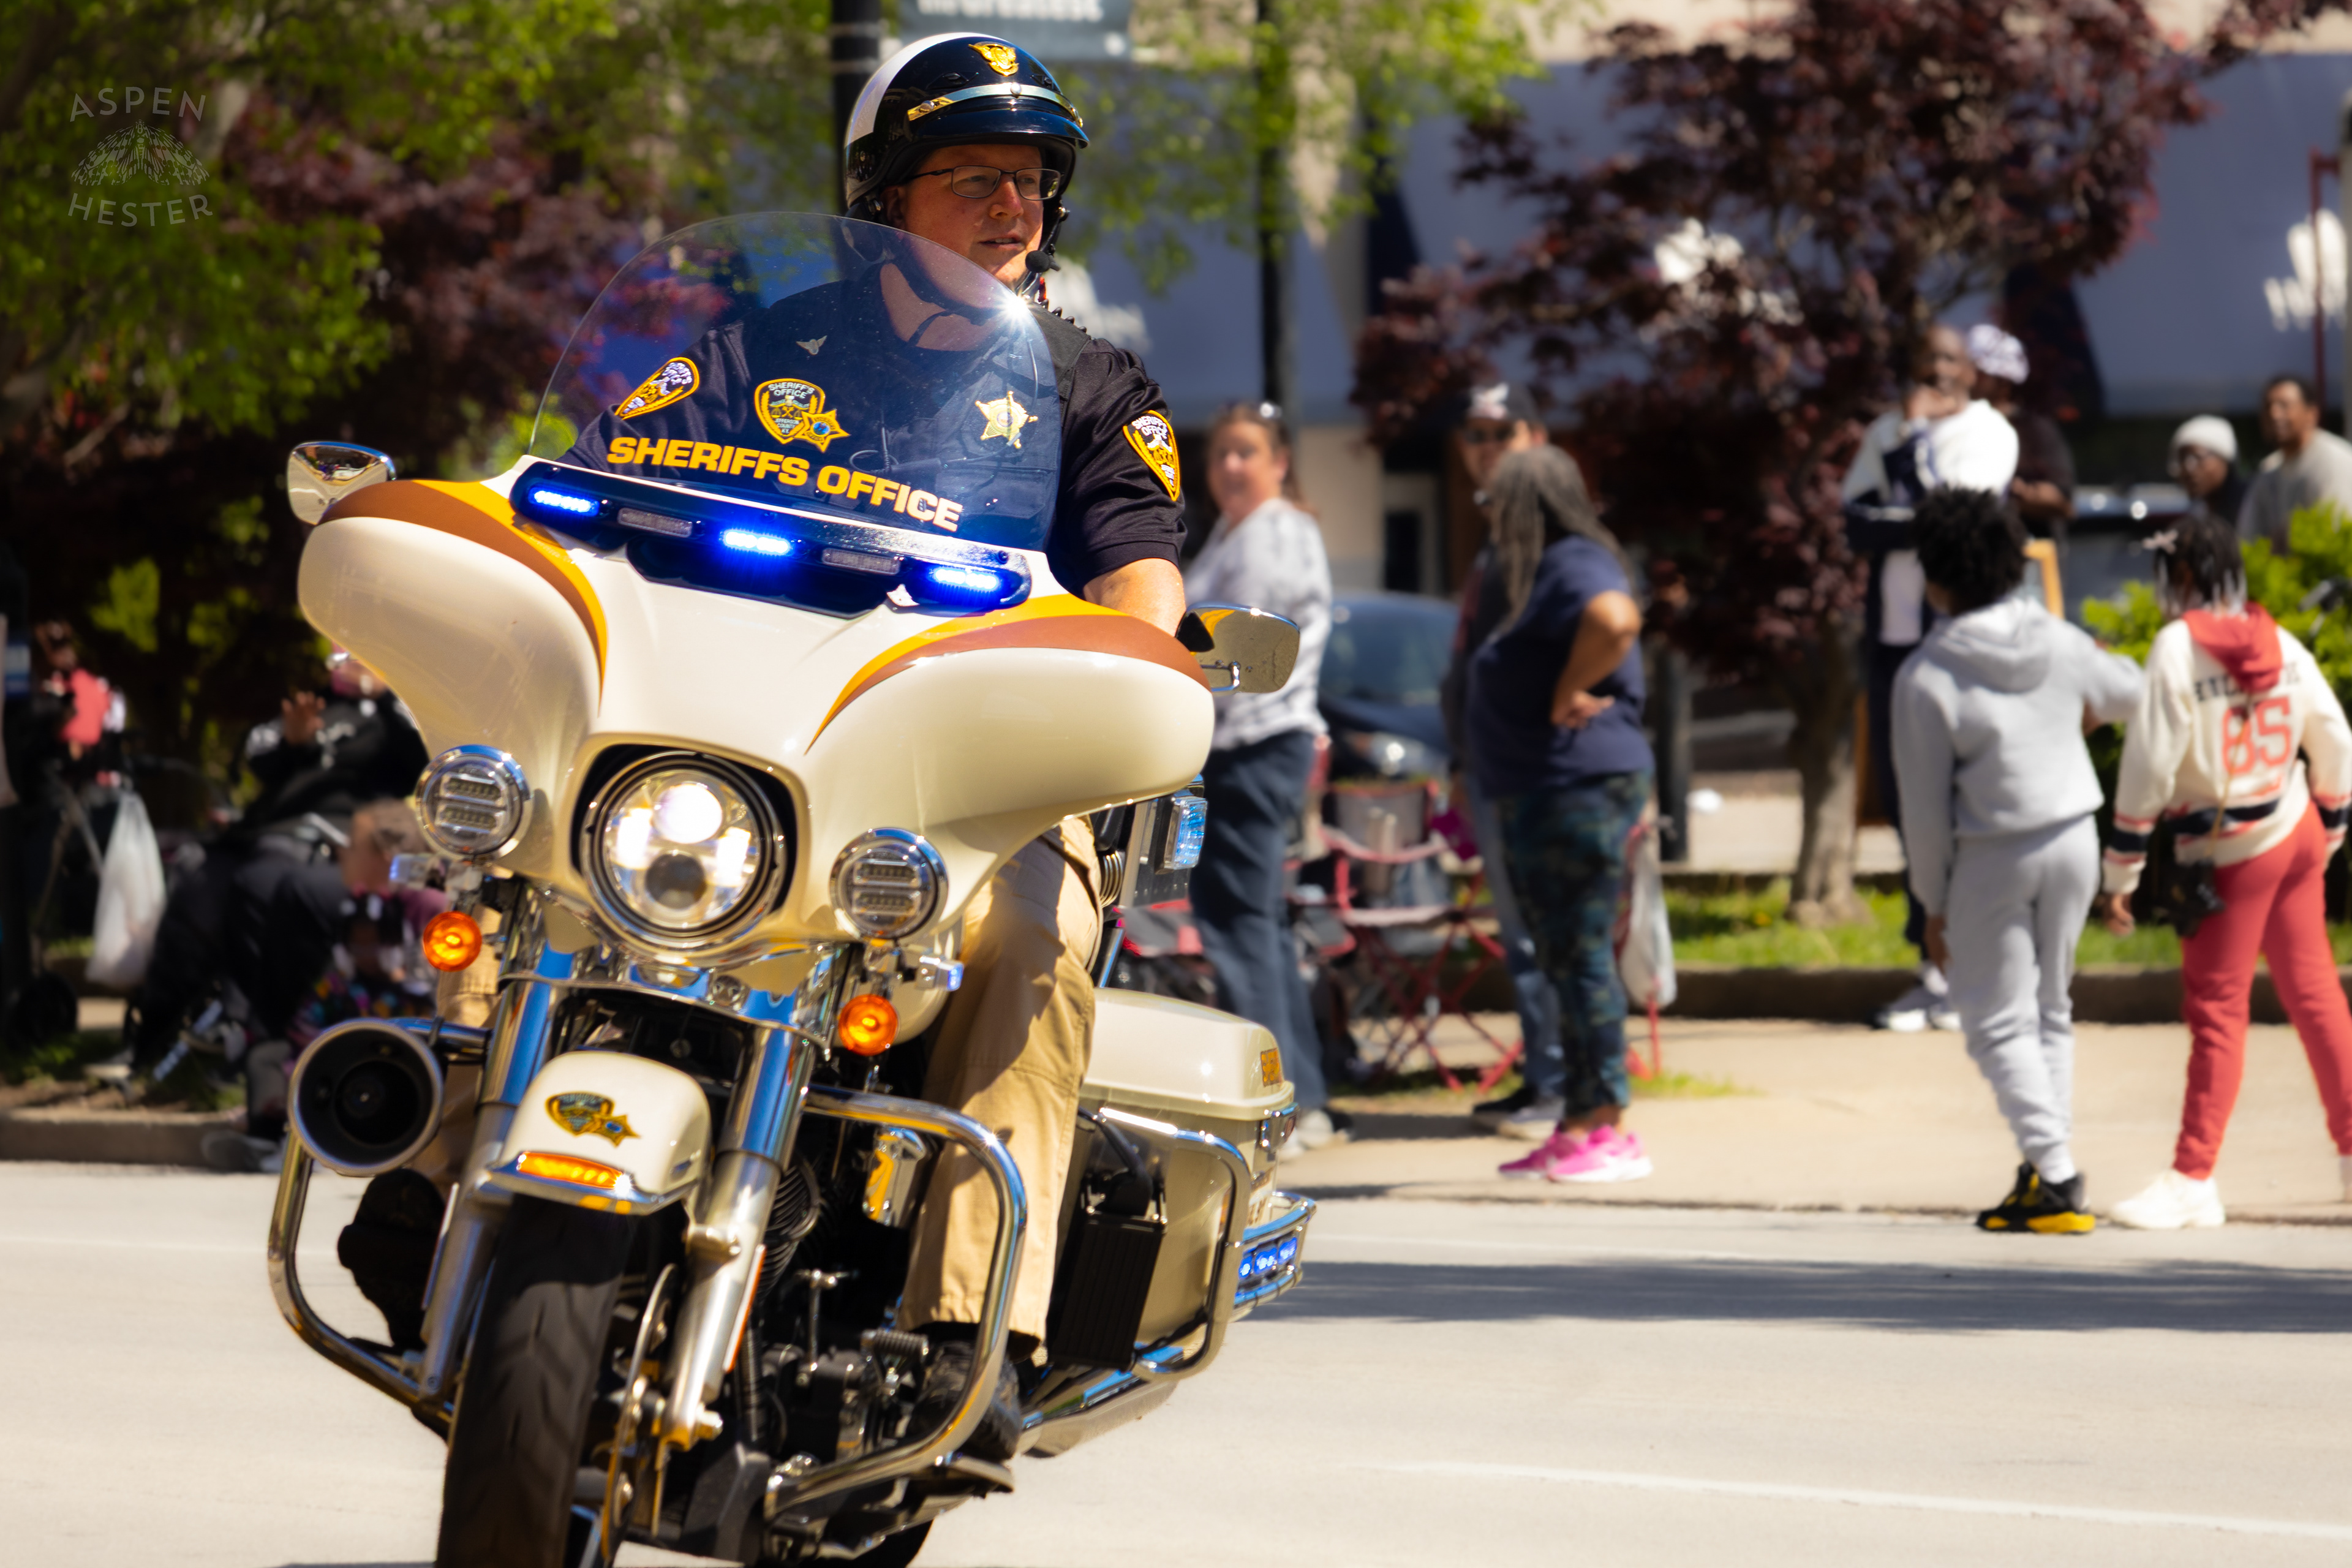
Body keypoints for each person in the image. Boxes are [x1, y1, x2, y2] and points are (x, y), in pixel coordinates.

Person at [510, 33, 1188, 1459]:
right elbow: (583, 481)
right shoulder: (751, 352)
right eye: (975, 178)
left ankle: (968, 1323)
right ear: (881, 194)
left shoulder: (1088, 384)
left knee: (1039, 929)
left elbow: (1139, 567)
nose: (1016, 207)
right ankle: (454, 1152)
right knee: (517, 844)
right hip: (744, 751)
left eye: (1033, 182)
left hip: (966, 784)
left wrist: (1142, 654)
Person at [1890, 489, 2142, 1233]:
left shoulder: (1927, 677)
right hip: (2074, 835)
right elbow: (2129, 690)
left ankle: (2059, 1178)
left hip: (1991, 855)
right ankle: (2043, 1169)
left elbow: (1925, 816)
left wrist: (1932, 904)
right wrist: (2082, 707)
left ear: (1933, 578)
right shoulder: (2059, 640)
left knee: (1996, 1020)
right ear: (2013, 561)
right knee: (2049, 1009)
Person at [2095, 511, 2352, 1226]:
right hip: (2293, 825)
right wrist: (2328, 829)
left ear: (2181, 576)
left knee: (2217, 1012)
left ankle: (2193, 1177)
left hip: (2228, 851)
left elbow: (2147, 768)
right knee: (2315, 994)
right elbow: (2334, 735)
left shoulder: (2178, 648)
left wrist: (2119, 875)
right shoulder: (2279, 637)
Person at [1474, 447, 1656, 1185]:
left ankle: (1608, 1125)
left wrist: (1563, 693)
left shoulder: (1575, 558)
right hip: (1542, 787)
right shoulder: (1541, 572)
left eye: (1499, 502)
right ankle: (1578, 1119)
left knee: (1579, 958)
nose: (1489, 514)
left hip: (1577, 785)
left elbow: (1616, 620)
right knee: (1559, 956)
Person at [1843, 323, 2018, 1031]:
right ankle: (1934, 968)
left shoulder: (1987, 432)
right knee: (1911, 806)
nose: (1935, 374)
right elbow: (1857, 524)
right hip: (1893, 640)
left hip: (1957, 640)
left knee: (1962, 801)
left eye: (1948, 361)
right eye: (1924, 363)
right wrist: (1905, 498)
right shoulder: (1886, 428)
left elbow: (1947, 525)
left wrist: (1912, 457)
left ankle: (1977, 969)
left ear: (1972, 373)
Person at [1182, 402, 1336, 1154]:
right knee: (1260, 925)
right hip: (1253, 744)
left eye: (1247, 452)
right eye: (1220, 454)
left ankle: (1281, 1111)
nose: (1231, 467)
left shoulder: (1272, 533)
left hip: (1250, 742)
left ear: (1280, 461)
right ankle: (1304, 1100)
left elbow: (1235, 656)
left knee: (1240, 924)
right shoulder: (1240, 532)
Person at [1436, 382, 1569, 1139]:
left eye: (1501, 430)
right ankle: (1545, 1078)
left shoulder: (1547, 528)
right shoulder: (1498, 527)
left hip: (1535, 767)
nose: (1486, 446)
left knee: (1546, 935)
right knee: (1522, 935)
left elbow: (1597, 622)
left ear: (1536, 438)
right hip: (1491, 763)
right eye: (1474, 433)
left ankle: (1562, 1087)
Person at [1967, 325, 2075, 546]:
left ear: (2003, 380)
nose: (1966, 379)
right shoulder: (1955, 426)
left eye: (1979, 374)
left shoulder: (2036, 431)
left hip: (2028, 564)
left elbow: (2064, 504)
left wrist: (2015, 493)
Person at [2237, 374, 2352, 552]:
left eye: (2284, 405)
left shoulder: (2334, 460)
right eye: (2268, 407)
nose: (2274, 414)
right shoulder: (2269, 469)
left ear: (2312, 414)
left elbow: (2337, 536)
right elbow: (2248, 539)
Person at [2169, 415, 2246, 531]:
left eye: (2197, 457)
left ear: (2224, 458)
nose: (2188, 469)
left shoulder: (2250, 506)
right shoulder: (2197, 512)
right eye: (2182, 460)